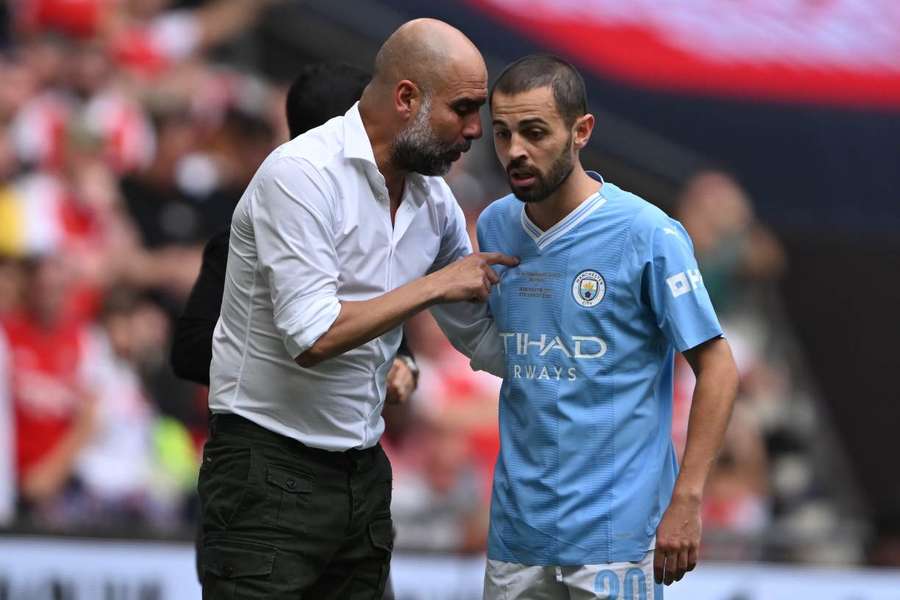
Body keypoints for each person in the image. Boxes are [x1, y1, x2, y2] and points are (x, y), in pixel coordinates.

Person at [198, 19, 517, 600]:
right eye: (464, 109)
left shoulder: (434, 197)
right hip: (265, 466)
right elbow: (313, 335)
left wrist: (561, 365)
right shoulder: (300, 175)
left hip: (363, 471)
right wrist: (435, 286)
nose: (476, 130)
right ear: (406, 98)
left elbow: (475, 326)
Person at [477, 55, 739, 599]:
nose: (515, 151)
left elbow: (717, 367)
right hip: (517, 536)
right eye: (502, 134)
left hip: (617, 539)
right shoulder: (495, 224)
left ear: (581, 132)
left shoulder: (647, 233)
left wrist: (687, 501)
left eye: (534, 132)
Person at [170, 62, 418, 405]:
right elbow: (190, 352)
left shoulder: (377, 240)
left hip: (348, 448)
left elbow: (389, 339)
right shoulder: (246, 240)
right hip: (260, 443)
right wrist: (310, 365)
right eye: (372, 132)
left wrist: (404, 365)